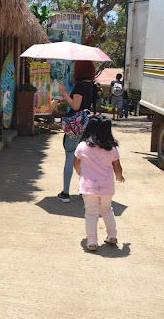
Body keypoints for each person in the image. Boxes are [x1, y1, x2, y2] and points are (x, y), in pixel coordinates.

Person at [73, 115, 125, 251]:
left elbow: (76, 163)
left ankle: (92, 241)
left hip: (88, 187)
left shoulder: (82, 146)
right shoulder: (112, 148)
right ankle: (112, 235)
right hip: (107, 187)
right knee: (107, 209)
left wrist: (79, 171)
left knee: (91, 213)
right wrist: (119, 176)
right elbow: (117, 167)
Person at [49, 60, 96, 203]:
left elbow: (75, 106)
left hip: (75, 126)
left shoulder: (80, 85)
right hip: (87, 125)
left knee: (70, 157)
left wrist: (63, 92)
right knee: (84, 159)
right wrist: (60, 99)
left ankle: (65, 193)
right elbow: (75, 99)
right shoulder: (92, 86)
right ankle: (84, 190)